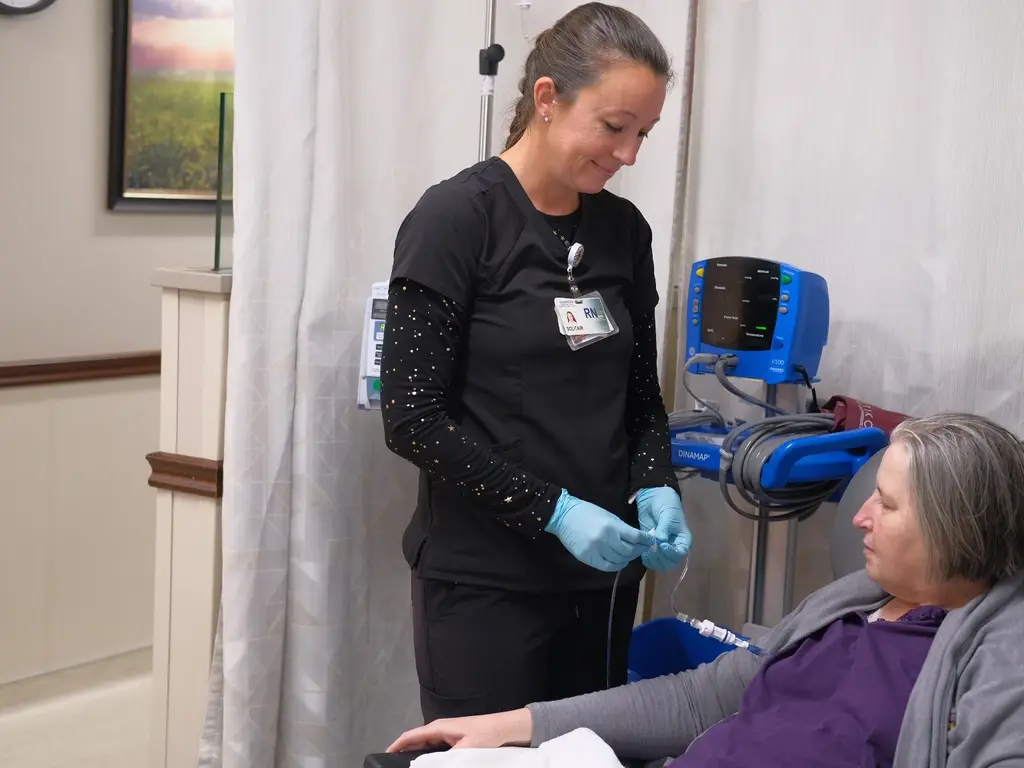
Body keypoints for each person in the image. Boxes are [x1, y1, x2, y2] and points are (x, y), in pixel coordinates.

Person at [386, 413, 1024, 767]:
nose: (858, 517)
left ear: (953, 530)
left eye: (885, 504)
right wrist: (512, 726)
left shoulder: (996, 654)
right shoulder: (853, 601)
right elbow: (701, 700)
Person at [380, 3, 691, 724]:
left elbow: (639, 397)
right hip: (486, 585)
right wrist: (554, 511)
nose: (630, 155)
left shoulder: (622, 230)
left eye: (643, 133)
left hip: (603, 577)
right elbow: (413, 420)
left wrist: (655, 483)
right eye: (615, 127)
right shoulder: (457, 219)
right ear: (547, 99)